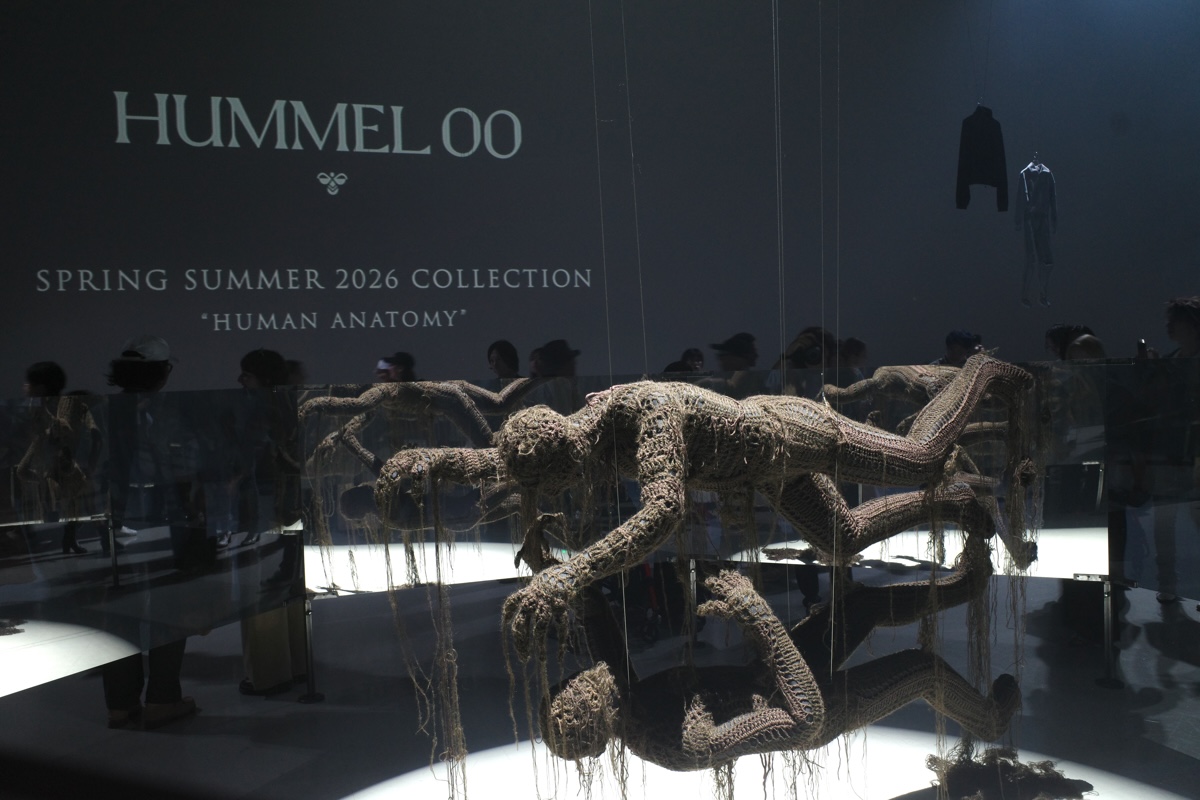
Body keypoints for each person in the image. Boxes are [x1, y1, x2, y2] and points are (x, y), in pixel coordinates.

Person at [374, 353, 1036, 661]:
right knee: (841, 541)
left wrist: (571, 573)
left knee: (918, 459)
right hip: (766, 468)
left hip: (791, 433)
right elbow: (502, 462)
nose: (572, 487)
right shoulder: (579, 435)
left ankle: (982, 371)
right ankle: (957, 503)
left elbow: (663, 513)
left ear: (570, 455)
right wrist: (429, 464)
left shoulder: (646, 414)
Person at [102, 335, 196, 729]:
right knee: (168, 609)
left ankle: (120, 704)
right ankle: (162, 699)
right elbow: (184, 465)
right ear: (161, 372)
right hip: (161, 520)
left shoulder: (105, 411)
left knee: (119, 614)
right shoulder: (166, 413)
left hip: (115, 524)